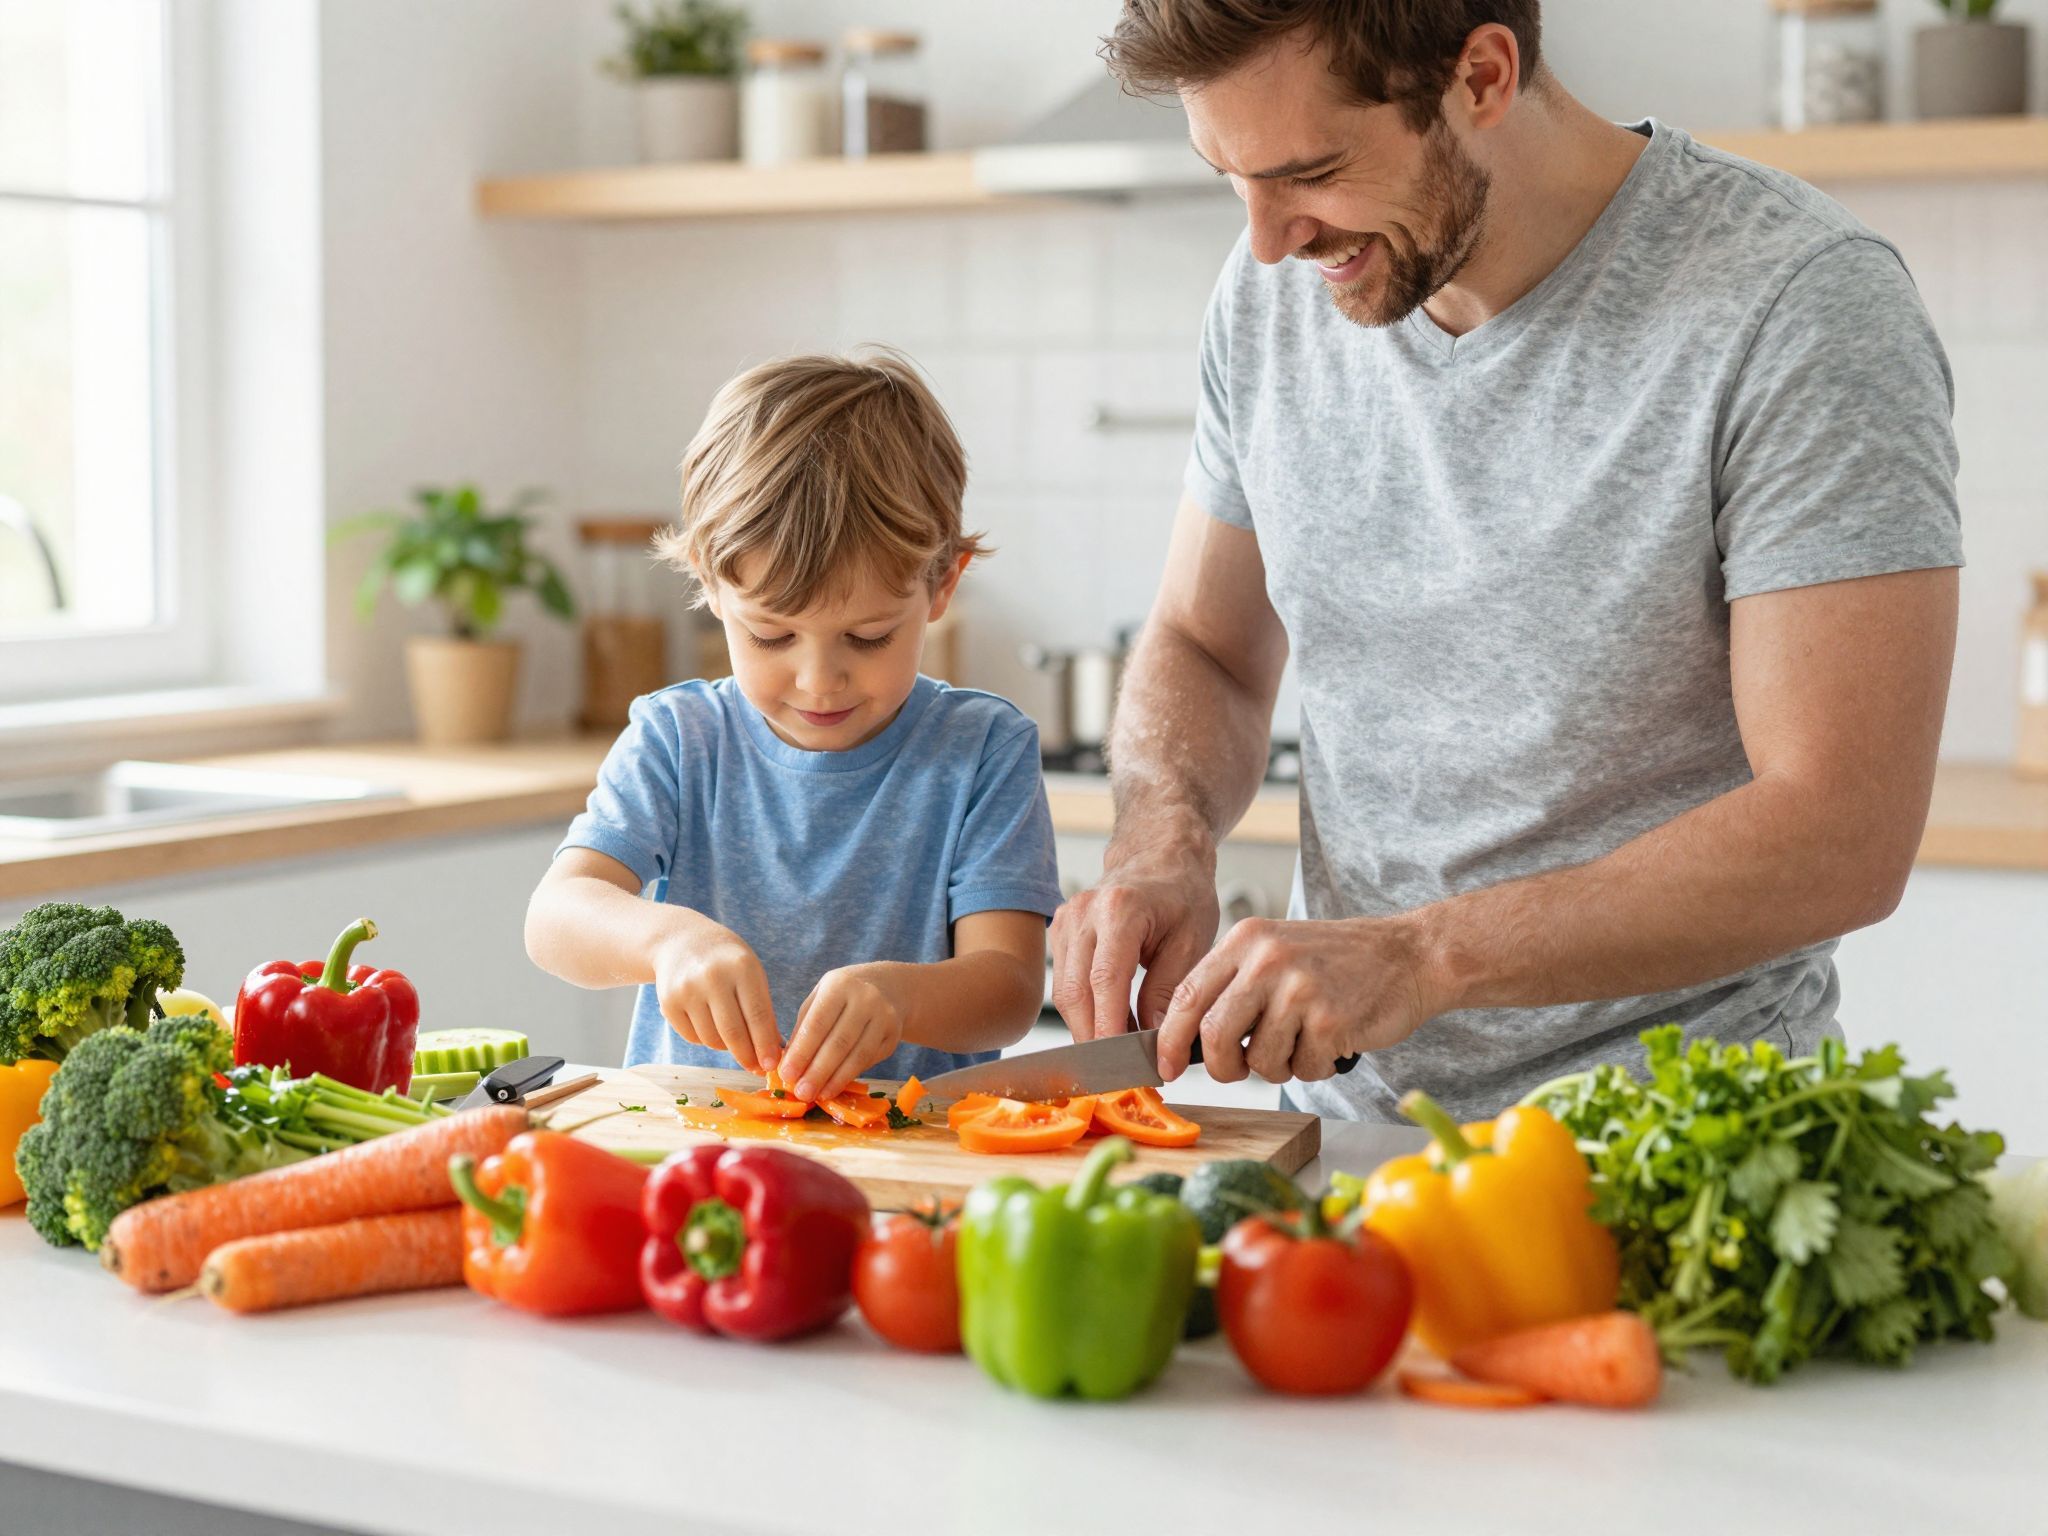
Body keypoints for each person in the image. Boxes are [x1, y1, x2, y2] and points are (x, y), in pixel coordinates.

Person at [1052, 1, 1962, 1122]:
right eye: (1227, 180)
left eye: (1310, 172)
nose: (1266, 241)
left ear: (1480, 75)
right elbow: (1207, 645)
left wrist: (1421, 956)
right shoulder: (1268, 300)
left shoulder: (1795, 304)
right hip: (1341, 1144)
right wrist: (1160, 842)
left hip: (1675, 1147)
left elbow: (1839, 831)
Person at [528, 350, 1061, 1103]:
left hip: (911, 1156)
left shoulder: (981, 753)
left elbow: (1008, 987)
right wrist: (668, 940)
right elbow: (554, 919)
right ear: (712, 588)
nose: (819, 680)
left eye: (868, 637)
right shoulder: (679, 739)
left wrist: (903, 998)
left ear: (943, 584)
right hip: (699, 1149)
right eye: (773, 637)